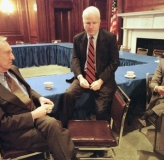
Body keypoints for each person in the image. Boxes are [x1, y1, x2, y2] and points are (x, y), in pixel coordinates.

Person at [0, 35, 77, 160]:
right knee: (60, 134)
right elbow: (3, 123)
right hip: (16, 133)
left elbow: (27, 90)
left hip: (35, 118)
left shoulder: (12, 69)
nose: (13, 57)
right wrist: (34, 115)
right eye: (8, 53)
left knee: (54, 125)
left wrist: (39, 99)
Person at [61, 6, 119, 157]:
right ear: (83, 22)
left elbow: (114, 63)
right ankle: (63, 129)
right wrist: (80, 77)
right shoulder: (78, 38)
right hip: (84, 76)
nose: (91, 26)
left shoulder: (110, 38)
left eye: (94, 22)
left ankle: (101, 144)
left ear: (100, 22)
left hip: (103, 79)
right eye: (87, 23)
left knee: (101, 109)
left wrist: (100, 81)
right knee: (68, 94)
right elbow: (74, 59)